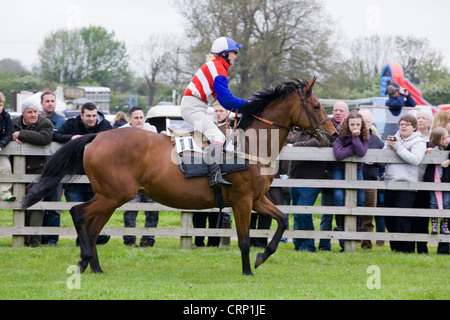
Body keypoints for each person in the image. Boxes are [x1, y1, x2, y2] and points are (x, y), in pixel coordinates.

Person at [181, 36, 247, 188]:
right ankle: (214, 175)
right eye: (234, 53)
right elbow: (227, 100)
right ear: (224, 54)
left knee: (217, 135)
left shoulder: (218, 67)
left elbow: (224, 102)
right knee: (217, 135)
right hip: (193, 107)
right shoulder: (218, 68)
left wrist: (243, 107)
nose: (235, 57)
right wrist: (249, 105)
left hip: (197, 106)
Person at [53, 102, 112, 245]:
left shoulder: (105, 125)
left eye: (94, 115)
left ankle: (88, 240)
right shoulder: (72, 124)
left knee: (93, 211)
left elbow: (113, 140)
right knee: (79, 212)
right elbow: (55, 135)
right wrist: (72, 138)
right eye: (88, 116)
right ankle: (88, 240)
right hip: (74, 177)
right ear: (82, 115)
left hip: (96, 178)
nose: (92, 119)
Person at [383, 114, 426, 253]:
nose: (403, 126)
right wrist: (389, 145)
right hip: (390, 183)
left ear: (414, 127)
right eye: (401, 124)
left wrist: (397, 147)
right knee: (389, 219)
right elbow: (382, 159)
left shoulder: (419, 142)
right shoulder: (393, 139)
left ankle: (406, 250)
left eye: (407, 124)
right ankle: (395, 249)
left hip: (407, 186)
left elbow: (415, 159)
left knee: (402, 219)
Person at [12, 103, 54, 247]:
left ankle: (34, 242)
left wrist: (21, 135)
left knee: (36, 206)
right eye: (30, 112)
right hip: (17, 171)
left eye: (35, 111)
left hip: (38, 171)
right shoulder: (14, 123)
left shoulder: (45, 123)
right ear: (23, 114)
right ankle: (22, 240)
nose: (34, 115)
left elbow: (45, 138)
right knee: (21, 205)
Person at [119, 107, 159, 247]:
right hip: (131, 177)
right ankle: (130, 240)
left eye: (141, 117)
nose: (139, 120)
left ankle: (148, 240)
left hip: (149, 177)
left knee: (152, 209)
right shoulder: (122, 131)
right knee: (130, 208)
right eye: (136, 118)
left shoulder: (151, 129)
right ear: (130, 119)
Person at [332, 110, 369, 250]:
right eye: (352, 124)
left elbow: (361, 152)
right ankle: (340, 224)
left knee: (360, 197)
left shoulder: (365, 135)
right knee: (338, 196)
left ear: (361, 125)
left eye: (357, 124)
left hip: (357, 169)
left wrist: (354, 140)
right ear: (347, 124)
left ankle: (358, 225)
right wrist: (353, 147)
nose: (355, 127)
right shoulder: (339, 135)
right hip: (338, 169)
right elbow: (339, 154)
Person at [288, 131, 326, 252]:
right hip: (294, 178)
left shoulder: (320, 131)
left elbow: (322, 141)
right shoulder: (299, 133)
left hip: (311, 180)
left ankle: (308, 244)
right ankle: (299, 243)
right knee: (298, 213)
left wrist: (294, 147)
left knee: (302, 213)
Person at [319, 101, 349, 251]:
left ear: (347, 113)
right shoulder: (325, 127)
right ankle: (324, 244)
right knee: (326, 212)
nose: (337, 113)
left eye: (341, 110)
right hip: (328, 174)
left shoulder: (351, 127)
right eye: (335, 110)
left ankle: (345, 244)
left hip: (346, 175)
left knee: (344, 212)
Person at [40, 91, 66, 245]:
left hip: (56, 170)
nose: (50, 103)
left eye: (52, 101)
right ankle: (38, 237)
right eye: (47, 101)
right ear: (42, 103)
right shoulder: (36, 120)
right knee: (37, 206)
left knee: (55, 206)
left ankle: (52, 239)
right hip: (37, 169)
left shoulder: (62, 122)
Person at [359, 109, 385, 249]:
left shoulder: (376, 140)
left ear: (371, 123)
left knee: (368, 215)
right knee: (353, 213)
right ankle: (350, 242)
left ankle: (366, 244)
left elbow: (382, 162)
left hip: (370, 180)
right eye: (361, 121)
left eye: (366, 122)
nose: (363, 124)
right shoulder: (352, 138)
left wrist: (374, 161)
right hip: (354, 180)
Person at [423, 127, 450, 234]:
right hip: (433, 180)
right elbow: (420, 152)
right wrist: (427, 151)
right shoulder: (429, 146)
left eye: (447, 137)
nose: (446, 140)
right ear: (436, 139)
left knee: (447, 202)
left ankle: (445, 225)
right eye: (443, 138)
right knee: (433, 202)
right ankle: (434, 225)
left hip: (446, 180)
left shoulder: (448, 148)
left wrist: (448, 160)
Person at [0, 92, 15, 202]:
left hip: (1, 148)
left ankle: (4, 193)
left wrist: (1, 144)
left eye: (0, 105)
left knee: (6, 168)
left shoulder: (6, 116)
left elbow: (9, 133)